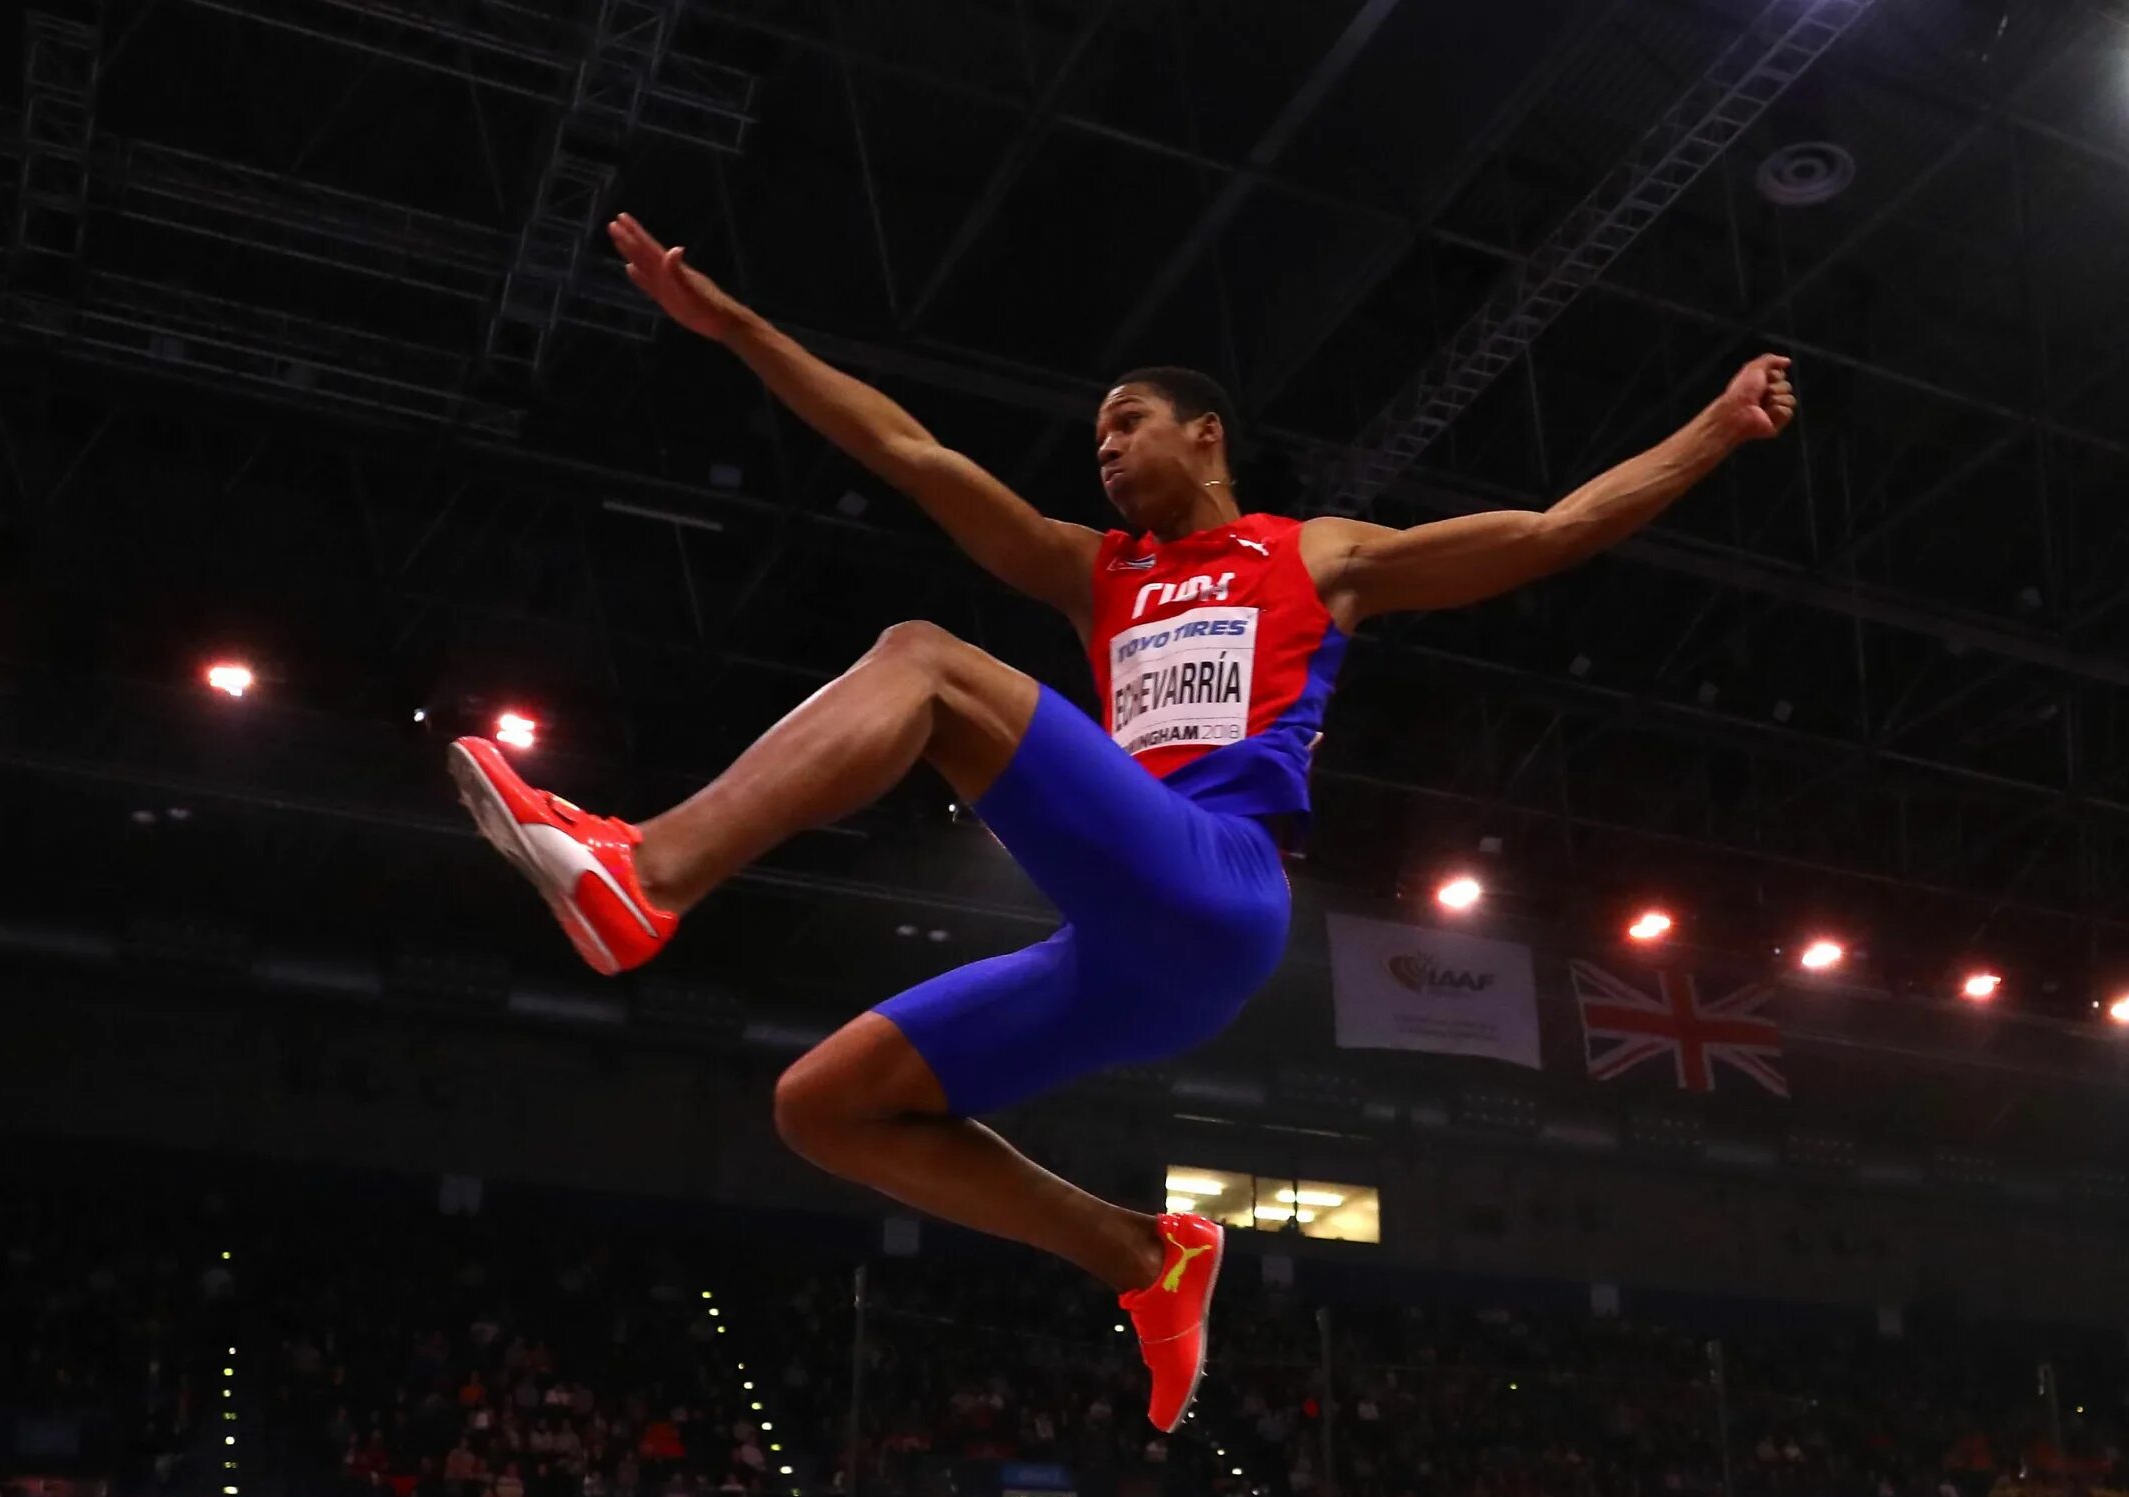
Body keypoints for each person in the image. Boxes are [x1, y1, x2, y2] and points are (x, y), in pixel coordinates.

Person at [449, 210, 1796, 1430]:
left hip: (1220, 886)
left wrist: (1718, 427)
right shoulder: (1095, 575)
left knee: (922, 655)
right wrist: (734, 325)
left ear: (1205, 433)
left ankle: (651, 870)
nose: (1102, 449)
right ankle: (1143, 1256)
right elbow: (906, 447)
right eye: (1096, 435)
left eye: (1125, 424)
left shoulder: (1316, 555)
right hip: (1126, 946)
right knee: (825, 1105)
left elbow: (1555, 526)